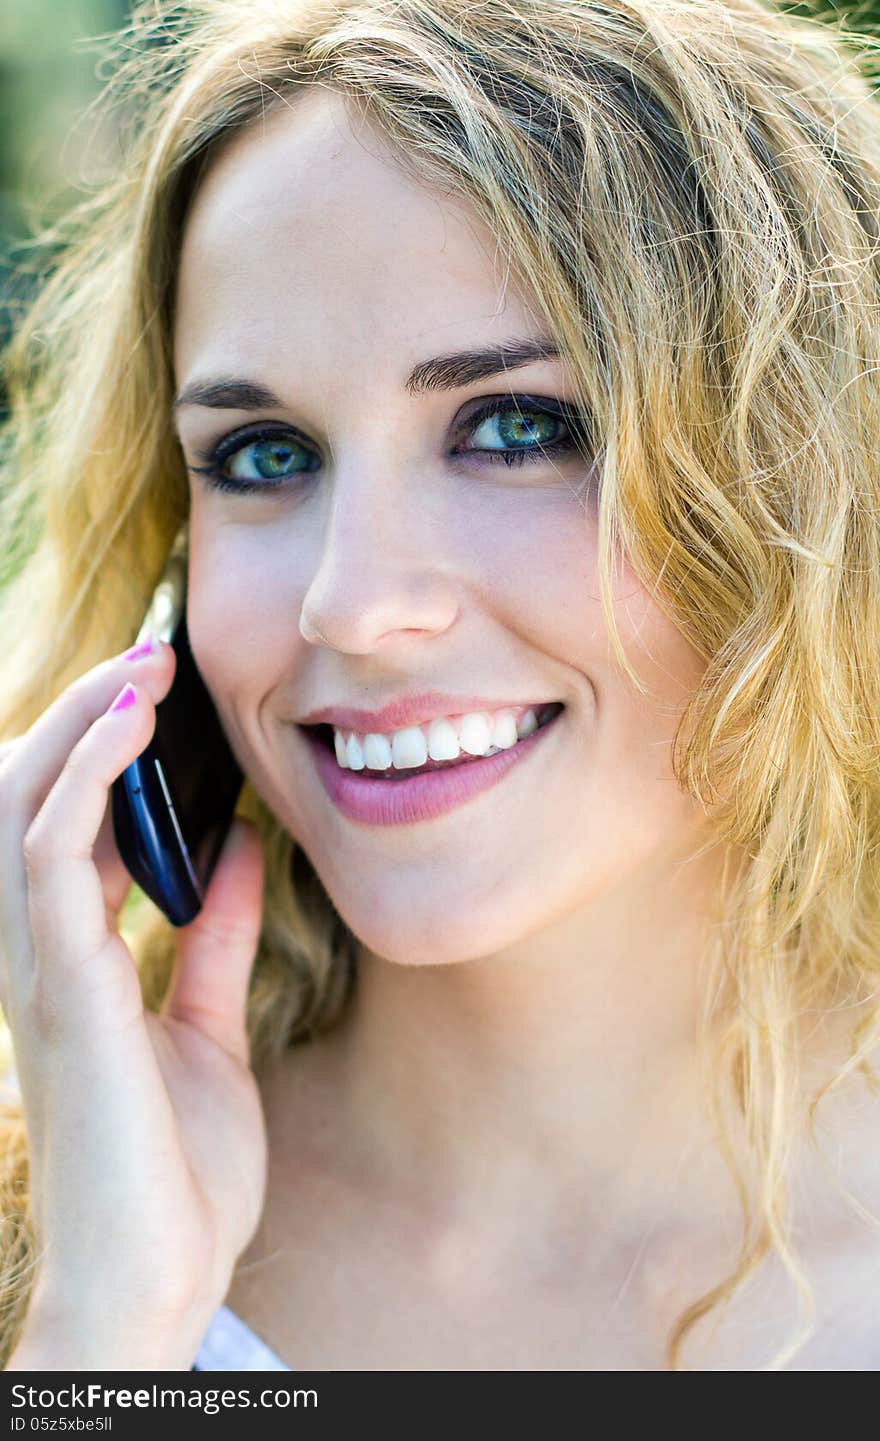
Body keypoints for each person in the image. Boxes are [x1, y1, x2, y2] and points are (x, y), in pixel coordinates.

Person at [1, 0, 879, 1373]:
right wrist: (105, 1331)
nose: (349, 601)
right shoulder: (72, 1229)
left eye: (518, 426)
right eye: (265, 455)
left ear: (798, 483)